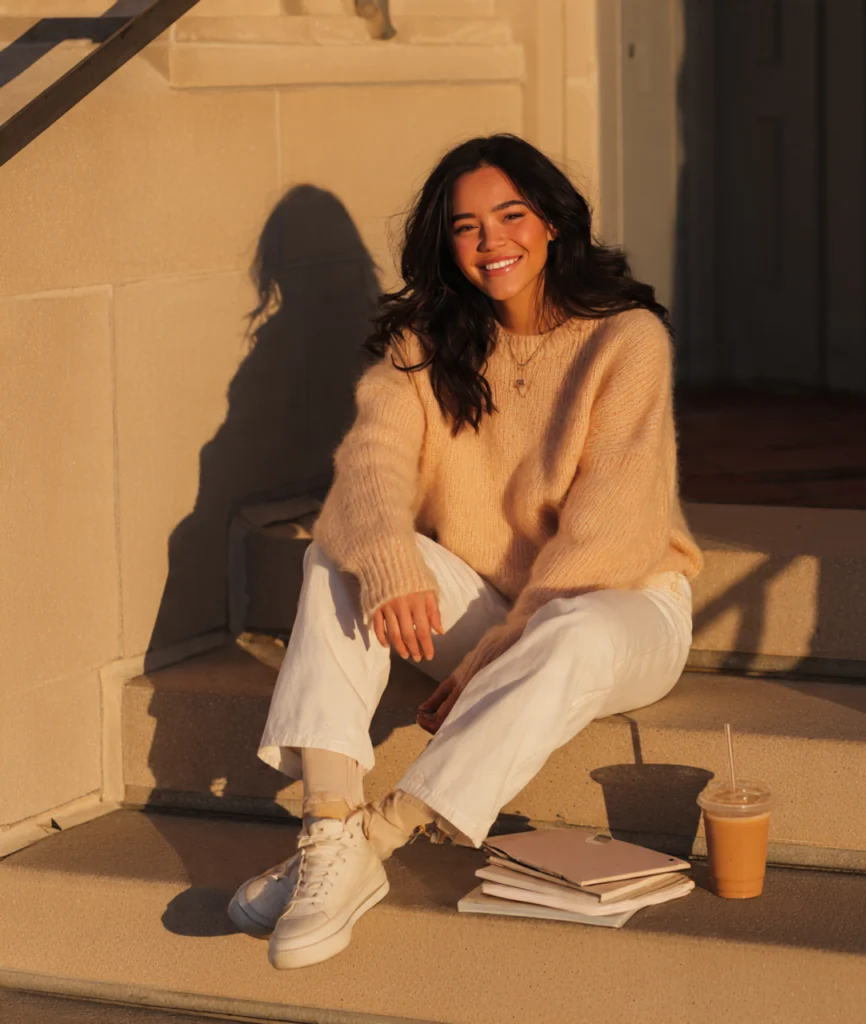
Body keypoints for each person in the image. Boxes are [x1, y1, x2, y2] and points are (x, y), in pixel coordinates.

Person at [226, 133, 703, 970]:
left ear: (552, 221)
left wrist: (491, 650)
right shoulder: (422, 343)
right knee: (337, 558)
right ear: (445, 244)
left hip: (625, 610)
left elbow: (607, 541)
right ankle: (328, 829)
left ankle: (378, 838)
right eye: (466, 226)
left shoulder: (627, 341)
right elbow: (368, 473)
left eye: (512, 216)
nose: (493, 242)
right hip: (492, 603)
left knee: (577, 629)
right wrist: (391, 561)